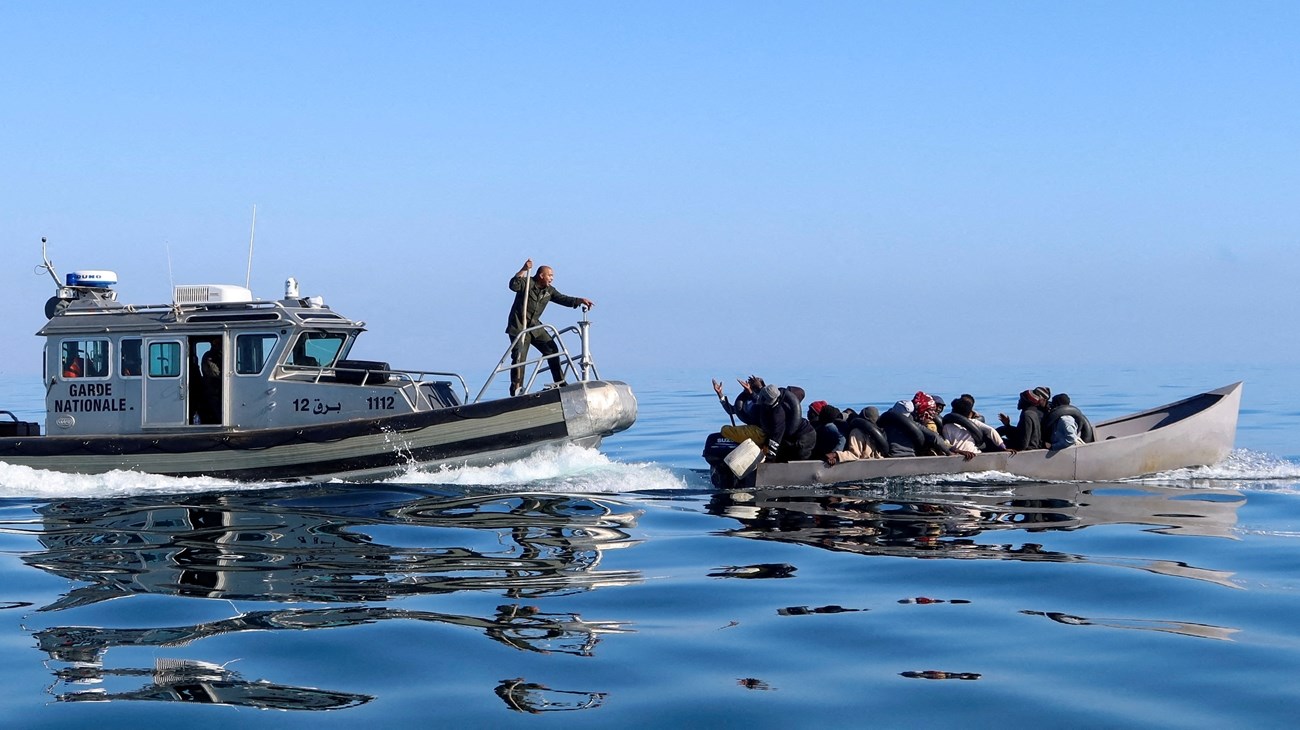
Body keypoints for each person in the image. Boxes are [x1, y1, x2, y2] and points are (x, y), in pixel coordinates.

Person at [505, 259, 594, 396]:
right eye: (550, 275)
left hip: (535, 327)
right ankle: (516, 391)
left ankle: (560, 383)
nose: (552, 278)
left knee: (552, 349)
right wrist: (523, 269)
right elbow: (513, 285)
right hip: (519, 327)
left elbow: (562, 298)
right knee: (519, 358)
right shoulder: (527, 283)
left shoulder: (549, 290)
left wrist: (579, 300)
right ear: (541, 275)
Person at [878, 399, 966, 458]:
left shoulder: (884, 423)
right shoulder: (914, 424)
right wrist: (949, 452)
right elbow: (934, 436)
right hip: (910, 457)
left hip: (892, 456)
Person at [754, 383, 816, 462]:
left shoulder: (778, 414)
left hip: (804, 435)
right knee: (782, 456)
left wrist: (769, 459)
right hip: (791, 436)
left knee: (798, 458)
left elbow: (776, 438)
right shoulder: (775, 403)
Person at [712, 375, 767, 446]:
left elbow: (761, 404)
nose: (746, 385)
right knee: (725, 429)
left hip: (761, 431)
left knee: (725, 430)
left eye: (750, 384)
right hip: (751, 429)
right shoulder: (745, 400)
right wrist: (720, 394)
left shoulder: (765, 398)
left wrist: (751, 391)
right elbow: (730, 410)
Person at [942, 396, 1010, 453]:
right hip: (974, 452)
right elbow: (991, 430)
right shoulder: (974, 422)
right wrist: (1003, 447)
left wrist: (958, 451)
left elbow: (946, 443)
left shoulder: (946, 426)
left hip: (958, 453)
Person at [998, 386, 1051, 450]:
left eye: (1021, 399)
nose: (1019, 401)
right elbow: (1022, 433)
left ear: (1026, 402)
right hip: (1030, 443)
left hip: (1029, 447)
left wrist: (1001, 443)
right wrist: (1007, 425)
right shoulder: (1032, 412)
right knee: (1003, 429)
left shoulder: (1027, 415)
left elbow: (1023, 444)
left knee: (993, 442)